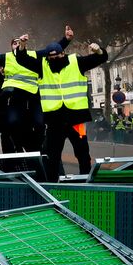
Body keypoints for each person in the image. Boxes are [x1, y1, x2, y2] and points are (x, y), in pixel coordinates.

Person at [17, 41, 108, 182]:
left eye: (56, 56)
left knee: (83, 152)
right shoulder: (42, 66)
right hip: (54, 121)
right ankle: (52, 185)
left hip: (76, 119)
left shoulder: (76, 62)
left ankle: (86, 181)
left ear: (63, 53)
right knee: (52, 155)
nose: (53, 59)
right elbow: (22, 59)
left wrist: (99, 51)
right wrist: (22, 47)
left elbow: (100, 59)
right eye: (50, 57)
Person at [0, 27, 73, 153]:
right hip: (16, 96)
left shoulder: (33, 54)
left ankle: (39, 148)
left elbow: (53, 50)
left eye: (18, 42)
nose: (17, 44)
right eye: (14, 43)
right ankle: (19, 145)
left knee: (39, 124)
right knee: (13, 122)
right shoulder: (6, 57)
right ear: (11, 47)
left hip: (33, 95)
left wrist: (67, 39)